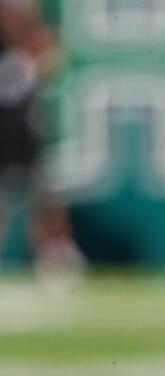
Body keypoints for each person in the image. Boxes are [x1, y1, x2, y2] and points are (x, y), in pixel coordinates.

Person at [0, 0, 81, 278]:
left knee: (45, 196)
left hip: (24, 132)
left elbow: (52, 56)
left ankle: (56, 254)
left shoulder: (34, 42)